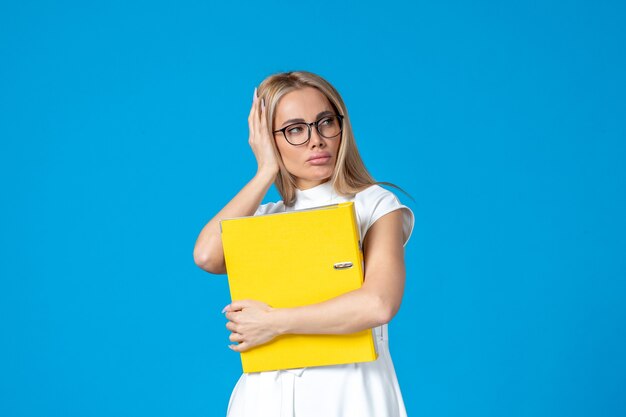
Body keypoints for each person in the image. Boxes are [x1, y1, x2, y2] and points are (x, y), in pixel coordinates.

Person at [193, 71, 414, 417]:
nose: (317, 140)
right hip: (265, 396)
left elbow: (378, 304)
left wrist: (274, 322)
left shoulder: (374, 204)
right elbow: (207, 255)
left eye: (326, 122)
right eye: (295, 129)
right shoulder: (262, 216)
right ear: (269, 138)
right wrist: (265, 171)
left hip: (350, 392)